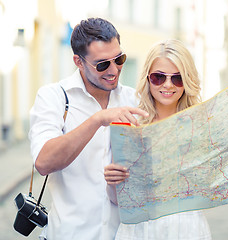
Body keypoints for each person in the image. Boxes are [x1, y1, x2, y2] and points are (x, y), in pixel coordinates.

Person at [104, 39, 228, 240]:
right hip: (140, 232)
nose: (167, 85)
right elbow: (118, 200)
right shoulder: (130, 126)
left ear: (187, 80)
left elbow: (224, 179)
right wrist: (112, 182)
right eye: (158, 77)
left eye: (177, 78)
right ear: (148, 78)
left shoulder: (203, 127)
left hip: (187, 230)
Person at [29, 17, 148, 240]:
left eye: (119, 59)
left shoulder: (134, 99)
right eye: (103, 64)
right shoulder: (54, 97)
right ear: (79, 61)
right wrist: (97, 120)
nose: (114, 70)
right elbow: (44, 163)